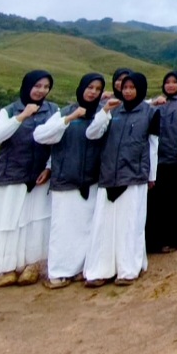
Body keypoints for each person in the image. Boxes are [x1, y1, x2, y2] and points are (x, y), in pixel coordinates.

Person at [0, 70, 56, 287]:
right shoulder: (10, 110)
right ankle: (7, 268)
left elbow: (57, 142)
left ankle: (32, 265)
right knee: (8, 221)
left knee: (35, 221)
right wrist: (21, 117)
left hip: (38, 177)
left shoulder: (53, 110)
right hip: (11, 175)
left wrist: (49, 168)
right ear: (27, 85)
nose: (41, 91)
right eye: (37, 86)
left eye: (46, 87)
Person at [83, 71, 160, 288]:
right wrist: (104, 111)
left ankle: (128, 269)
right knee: (104, 224)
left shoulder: (150, 113)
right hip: (108, 174)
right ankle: (101, 269)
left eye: (132, 88)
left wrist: (151, 175)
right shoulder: (110, 109)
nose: (127, 91)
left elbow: (153, 146)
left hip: (134, 176)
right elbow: (92, 134)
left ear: (140, 89)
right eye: (125, 87)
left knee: (130, 224)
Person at [34, 73, 105, 288]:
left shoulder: (101, 114)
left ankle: (83, 268)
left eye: (97, 89)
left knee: (87, 227)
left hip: (91, 180)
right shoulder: (64, 113)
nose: (93, 92)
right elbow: (41, 136)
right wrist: (70, 118)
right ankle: (60, 271)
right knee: (63, 228)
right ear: (81, 88)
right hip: (66, 179)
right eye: (90, 87)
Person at [146, 70, 177, 253]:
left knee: (173, 201)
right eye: (167, 82)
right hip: (155, 159)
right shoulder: (155, 102)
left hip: (175, 159)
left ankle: (173, 239)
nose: (171, 85)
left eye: (174, 82)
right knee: (154, 202)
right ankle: (153, 241)